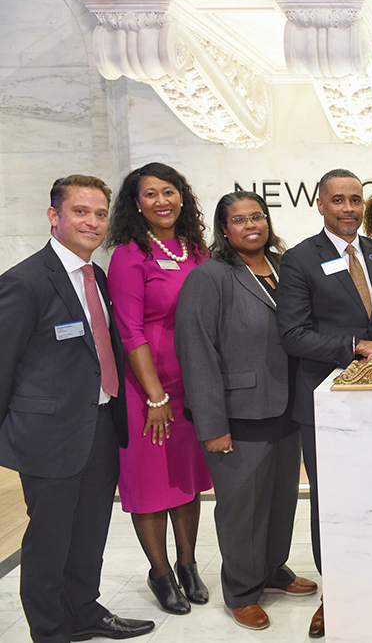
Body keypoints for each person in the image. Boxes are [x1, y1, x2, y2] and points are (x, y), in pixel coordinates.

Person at [0, 175, 154, 642]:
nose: (93, 222)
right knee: (49, 542)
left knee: (89, 534)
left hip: (100, 425)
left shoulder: (96, 276)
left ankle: (84, 611)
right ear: (55, 215)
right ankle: (50, 631)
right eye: (80, 211)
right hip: (48, 437)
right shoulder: (24, 282)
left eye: (100, 213)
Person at [175, 191, 318, 631]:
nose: (251, 225)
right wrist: (212, 424)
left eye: (257, 216)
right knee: (242, 508)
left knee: (280, 500)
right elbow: (196, 353)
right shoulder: (210, 276)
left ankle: (272, 570)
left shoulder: (284, 266)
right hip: (238, 413)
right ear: (223, 229)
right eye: (239, 220)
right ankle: (241, 590)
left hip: (287, 407)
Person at [277, 168, 372, 638]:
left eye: (355, 199)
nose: (348, 208)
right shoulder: (299, 259)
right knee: (332, 500)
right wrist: (355, 346)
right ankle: (334, 594)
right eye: (338, 200)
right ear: (320, 204)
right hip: (326, 400)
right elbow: (293, 335)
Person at [106, 163, 213, 615]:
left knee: (187, 481)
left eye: (168, 191)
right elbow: (129, 331)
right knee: (150, 485)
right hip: (147, 389)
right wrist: (155, 395)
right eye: (150, 194)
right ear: (136, 203)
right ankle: (161, 572)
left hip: (193, 385)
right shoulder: (129, 255)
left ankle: (188, 564)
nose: (161, 201)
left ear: (182, 197)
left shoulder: (196, 250)